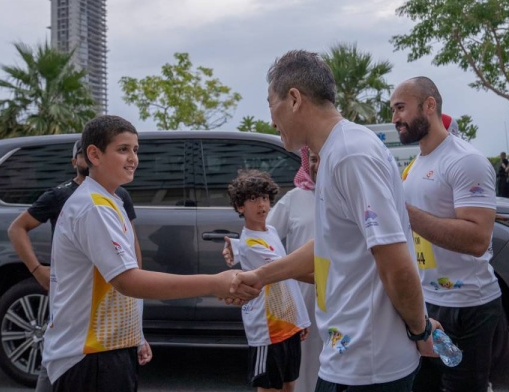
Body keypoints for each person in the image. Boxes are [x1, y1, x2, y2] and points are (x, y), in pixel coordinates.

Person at [231, 50, 438, 392]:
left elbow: (395, 264)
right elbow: (329, 244)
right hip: (346, 358)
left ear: (294, 98)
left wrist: (421, 330)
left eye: (272, 104)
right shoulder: (334, 155)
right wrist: (260, 275)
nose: (271, 120)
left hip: (368, 365)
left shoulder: (351, 154)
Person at [42, 115, 258, 391]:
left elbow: (117, 285)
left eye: (135, 150)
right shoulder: (94, 207)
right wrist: (216, 282)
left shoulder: (111, 200)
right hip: (89, 358)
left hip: (107, 349)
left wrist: (135, 335)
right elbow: (129, 281)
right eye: (123, 149)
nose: (133, 158)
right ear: (94, 154)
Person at [391, 76, 502, 392]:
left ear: (429, 105)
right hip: (426, 302)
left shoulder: (465, 160)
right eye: (392, 110)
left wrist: (404, 211)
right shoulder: (416, 164)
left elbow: (477, 239)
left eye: (401, 108)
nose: (395, 118)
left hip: (468, 307)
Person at [7, 139, 143, 392]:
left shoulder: (119, 195)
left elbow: (131, 244)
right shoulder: (63, 196)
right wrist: (38, 270)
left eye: (134, 150)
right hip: (73, 293)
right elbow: (17, 228)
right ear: (79, 160)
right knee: (62, 350)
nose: (132, 157)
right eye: (81, 154)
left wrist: (137, 297)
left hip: (106, 303)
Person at [224, 147, 321, 392]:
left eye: (265, 199)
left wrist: (299, 319)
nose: (262, 205)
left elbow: (265, 239)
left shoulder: (272, 233)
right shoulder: (295, 199)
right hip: (273, 324)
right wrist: (325, 278)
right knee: (271, 384)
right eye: (313, 158)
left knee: (291, 382)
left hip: (292, 316)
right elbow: (279, 265)